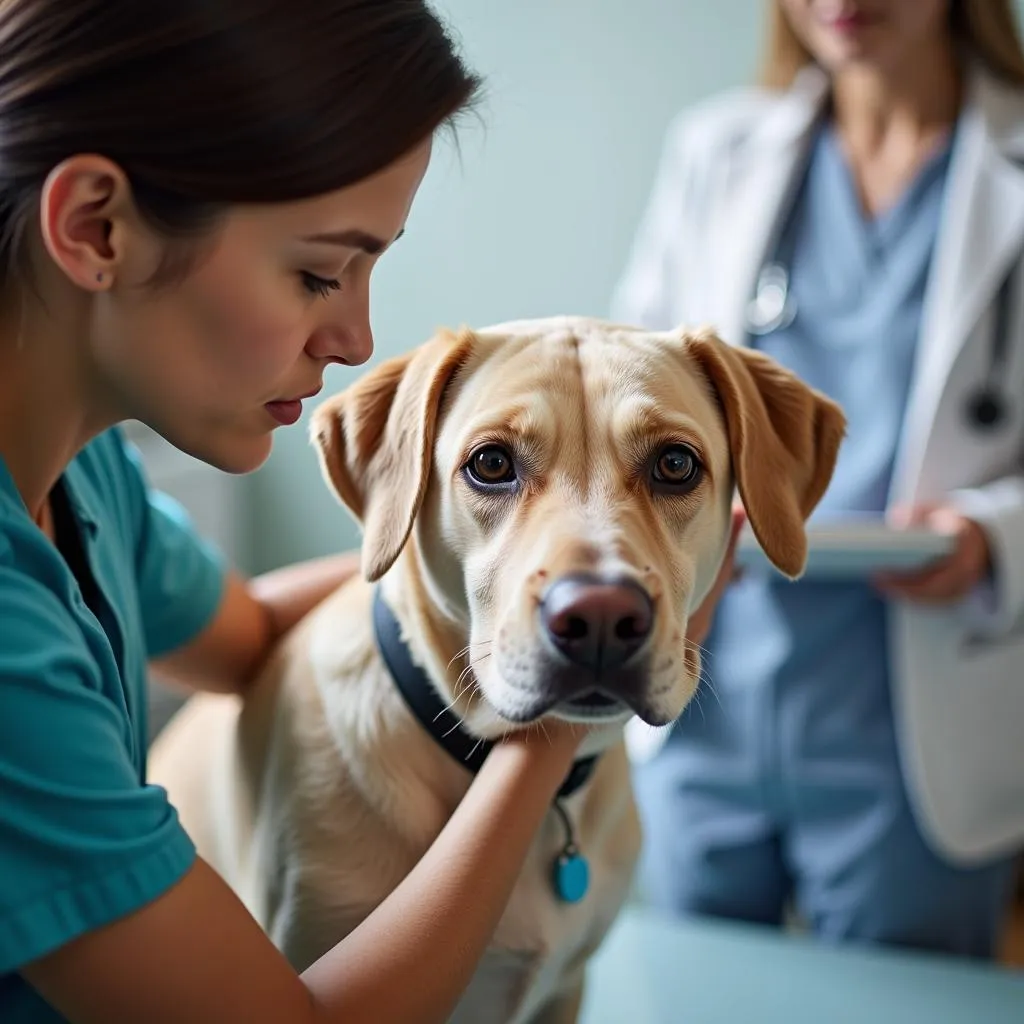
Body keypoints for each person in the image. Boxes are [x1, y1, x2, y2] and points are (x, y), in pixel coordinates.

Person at [0, 3, 743, 1022]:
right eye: (316, 272)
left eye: (369, 269)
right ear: (96, 227)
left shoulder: (87, 478)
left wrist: (535, 595)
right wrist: (550, 705)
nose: (354, 336)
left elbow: (250, 628)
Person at [612, 0, 1024, 960]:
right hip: (708, 683)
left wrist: (991, 532)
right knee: (697, 989)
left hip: (913, 717)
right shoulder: (717, 153)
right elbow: (626, 402)